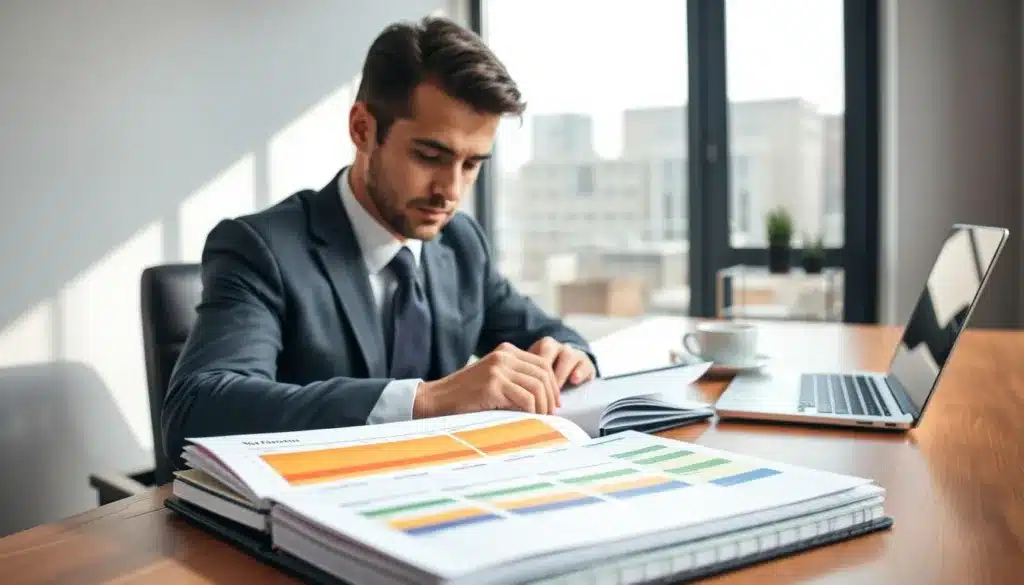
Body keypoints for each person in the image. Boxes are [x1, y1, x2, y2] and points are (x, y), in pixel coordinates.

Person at [161, 16, 599, 467]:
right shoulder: (261, 248)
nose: (450, 190)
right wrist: (424, 400)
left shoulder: (460, 243)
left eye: (471, 165)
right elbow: (197, 408)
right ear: (362, 129)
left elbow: (548, 334)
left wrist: (569, 355)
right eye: (430, 156)